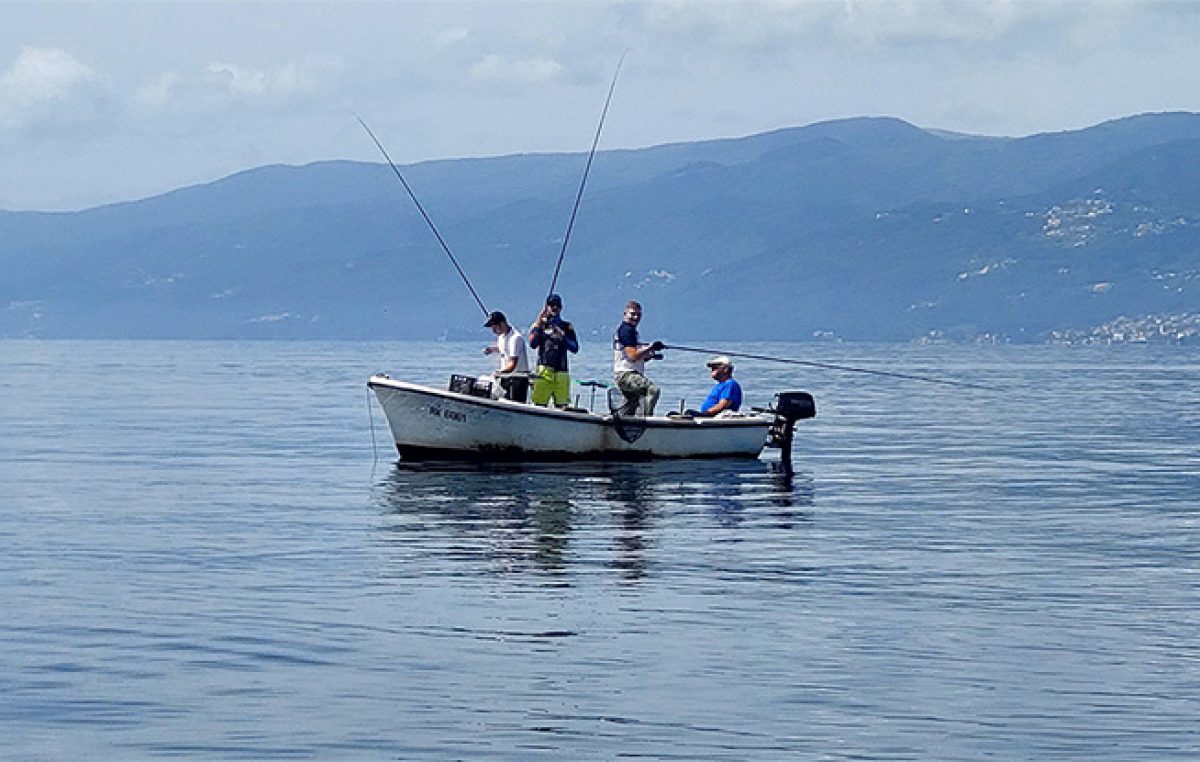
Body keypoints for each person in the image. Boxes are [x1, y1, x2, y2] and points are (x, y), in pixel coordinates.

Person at [612, 300, 663, 416]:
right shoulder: (626, 331)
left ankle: (621, 424)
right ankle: (647, 422)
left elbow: (634, 355)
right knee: (652, 390)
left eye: (638, 315)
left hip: (628, 374)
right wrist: (651, 347)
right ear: (625, 314)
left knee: (632, 403)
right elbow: (633, 355)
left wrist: (650, 355)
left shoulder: (632, 332)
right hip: (626, 375)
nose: (635, 317)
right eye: (632, 314)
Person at [527, 293, 579, 407]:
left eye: (557, 305)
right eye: (551, 305)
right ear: (546, 307)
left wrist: (563, 337)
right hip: (544, 372)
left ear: (561, 307)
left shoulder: (566, 326)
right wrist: (538, 325)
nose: (555, 308)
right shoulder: (541, 325)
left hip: (561, 373)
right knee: (539, 405)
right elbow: (532, 343)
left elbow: (575, 348)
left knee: (563, 406)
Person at [483, 310, 530, 402]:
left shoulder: (515, 338)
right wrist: (492, 349)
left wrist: (498, 373)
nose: (493, 330)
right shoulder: (501, 337)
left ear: (502, 324)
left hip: (517, 378)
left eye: (495, 327)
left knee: (515, 404)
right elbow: (504, 349)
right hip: (506, 377)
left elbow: (512, 364)